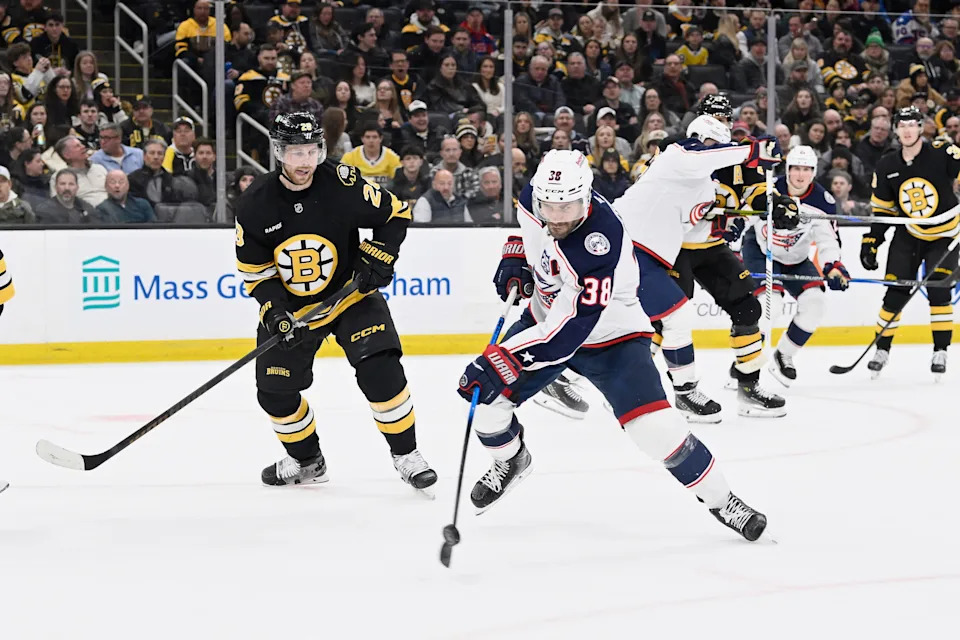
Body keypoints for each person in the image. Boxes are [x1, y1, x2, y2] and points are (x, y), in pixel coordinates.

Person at [458, 149, 768, 542]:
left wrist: (502, 360)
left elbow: (569, 332)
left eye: (567, 208)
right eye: (549, 208)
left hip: (610, 338)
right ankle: (511, 460)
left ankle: (724, 502)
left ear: (587, 197)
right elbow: (530, 231)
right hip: (544, 321)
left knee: (656, 431)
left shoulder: (599, 243)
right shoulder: (538, 196)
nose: (557, 217)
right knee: (486, 408)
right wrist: (517, 254)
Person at [235, 111, 436, 490]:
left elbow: (396, 214)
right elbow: (256, 272)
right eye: (295, 152)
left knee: (381, 370)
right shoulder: (255, 204)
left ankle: (407, 454)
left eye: (311, 151)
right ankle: (306, 460)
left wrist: (381, 253)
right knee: (274, 392)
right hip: (295, 311)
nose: (304, 162)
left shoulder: (341, 183)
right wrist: (275, 311)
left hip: (350, 296)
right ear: (279, 152)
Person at [862, 106, 960, 379]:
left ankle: (940, 350)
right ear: (896, 129)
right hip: (909, 234)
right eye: (901, 125)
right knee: (895, 293)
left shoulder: (942, 152)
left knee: (939, 290)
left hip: (945, 235)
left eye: (912, 124)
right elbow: (882, 211)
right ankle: (882, 349)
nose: (907, 130)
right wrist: (871, 242)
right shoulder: (887, 165)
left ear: (921, 127)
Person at [740, 146, 848, 386]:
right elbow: (742, 218)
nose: (800, 175)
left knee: (815, 303)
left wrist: (833, 265)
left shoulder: (822, 201)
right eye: (796, 169)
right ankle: (745, 363)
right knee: (771, 306)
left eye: (807, 169)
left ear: (814, 172)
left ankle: (784, 354)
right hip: (761, 251)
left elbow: (827, 239)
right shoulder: (769, 190)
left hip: (796, 259)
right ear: (787, 170)